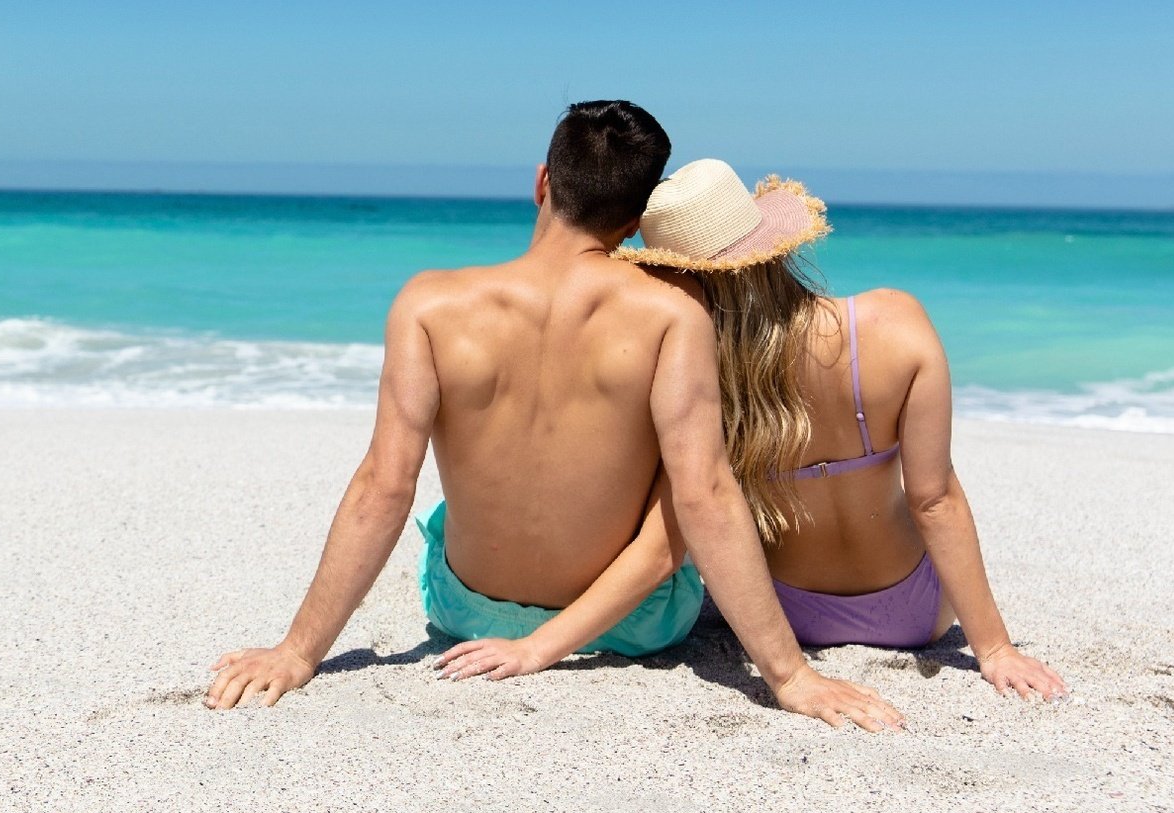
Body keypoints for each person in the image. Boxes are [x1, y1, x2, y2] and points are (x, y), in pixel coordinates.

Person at [205, 102, 905, 731]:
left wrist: (297, 652)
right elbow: (706, 497)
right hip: (638, 625)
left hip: (467, 614)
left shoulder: (428, 305)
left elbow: (384, 488)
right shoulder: (671, 313)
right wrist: (791, 676)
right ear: (636, 223)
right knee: (690, 473)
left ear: (542, 181)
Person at [612, 158, 1067, 701]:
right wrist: (994, 649)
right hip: (915, 612)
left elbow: (677, 524)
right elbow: (934, 500)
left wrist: (543, 641)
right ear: (773, 242)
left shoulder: (695, 371)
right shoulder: (893, 325)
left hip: (781, 610)